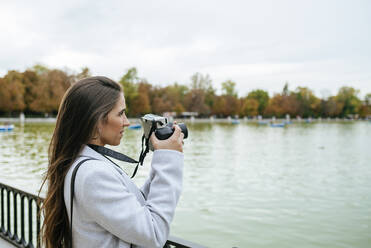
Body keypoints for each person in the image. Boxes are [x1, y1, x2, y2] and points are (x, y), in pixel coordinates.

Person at [39, 76, 184, 248]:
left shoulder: (80, 161)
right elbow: (153, 233)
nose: (127, 122)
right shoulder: (94, 174)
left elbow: (135, 207)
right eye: (121, 113)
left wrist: (161, 159)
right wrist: (169, 159)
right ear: (97, 120)